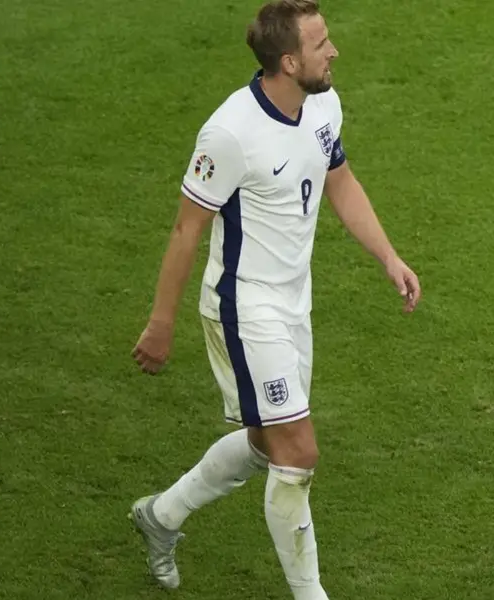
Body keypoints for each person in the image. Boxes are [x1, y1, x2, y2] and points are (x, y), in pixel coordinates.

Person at [127, 2, 421, 598]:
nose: (333, 51)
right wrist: (161, 323)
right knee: (298, 453)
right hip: (243, 307)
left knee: (269, 445)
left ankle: (160, 515)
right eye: (321, 43)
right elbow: (187, 229)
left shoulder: (323, 105)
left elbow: (339, 180)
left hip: (293, 303)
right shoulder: (229, 134)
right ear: (288, 62)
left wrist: (388, 257)